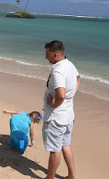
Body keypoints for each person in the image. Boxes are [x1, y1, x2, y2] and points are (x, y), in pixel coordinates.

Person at [42, 40, 81, 179]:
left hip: (56, 117)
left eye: (48, 54)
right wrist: (72, 94)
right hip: (68, 114)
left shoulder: (58, 70)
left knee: (54, 150)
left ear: (56, 54)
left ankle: (50, 177)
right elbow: (78, 78)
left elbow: (61, 94)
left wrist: (54, 104)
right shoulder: (69, 64)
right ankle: (72, 175)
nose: (46, 57)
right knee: (66, 145)